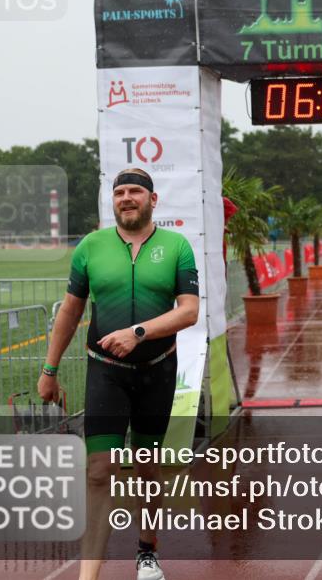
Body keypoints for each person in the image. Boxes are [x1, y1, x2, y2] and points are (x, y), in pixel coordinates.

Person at [38, 168, 199, 580]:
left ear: (152, 200)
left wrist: (137, 333)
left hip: (156, 371)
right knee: (99, 470)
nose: (127, 198)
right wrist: (49, 370)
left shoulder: (177, 246)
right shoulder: (91, 247)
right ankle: (87, 576)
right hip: (106, 372)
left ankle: (147, 551)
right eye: (120, 192)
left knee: (147, 468)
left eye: (135, 191)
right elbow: (70, 310)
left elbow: (189, 311)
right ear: (113, 200)